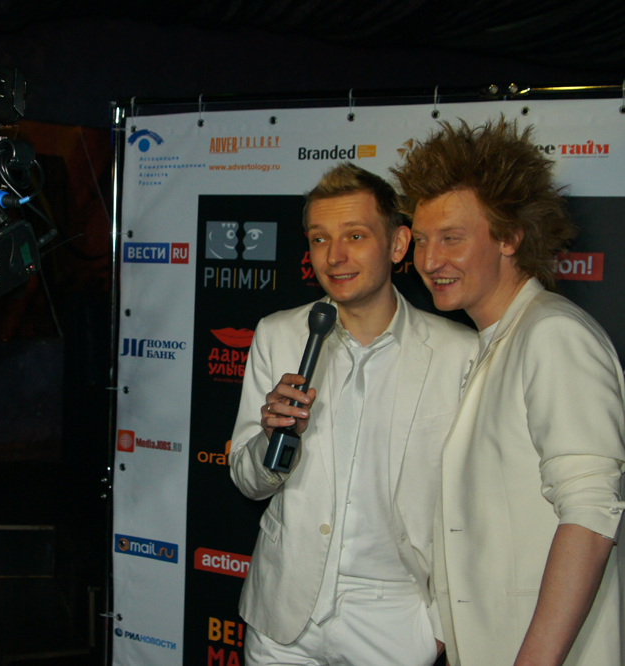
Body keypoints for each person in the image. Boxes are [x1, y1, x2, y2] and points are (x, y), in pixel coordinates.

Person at [394, 118, 625, 666]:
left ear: (509, 236)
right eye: (422, 240)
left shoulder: (553, 334)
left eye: (452, 238)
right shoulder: (496, 340)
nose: (429, 261)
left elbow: (591, 515)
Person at [229, 162, 477, 666]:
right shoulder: (278, 334)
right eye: (319, 239)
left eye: (355, 236)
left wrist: (436, 627)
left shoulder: (460, 353)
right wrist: (272, 440)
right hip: (282, 617)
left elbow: (473, 504)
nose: (334, 256)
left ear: (399, 244)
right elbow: (248, 481)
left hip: (394, 622)